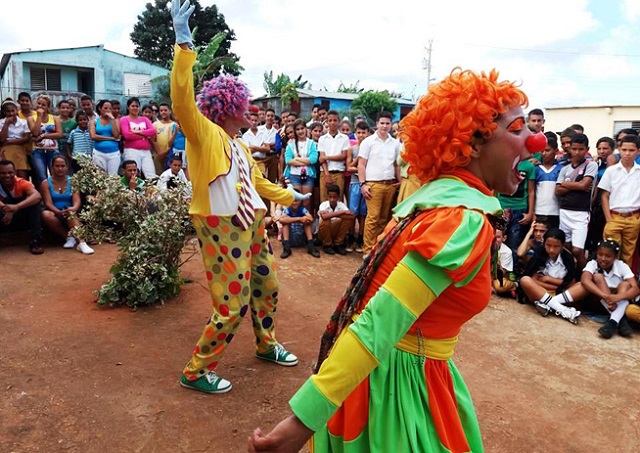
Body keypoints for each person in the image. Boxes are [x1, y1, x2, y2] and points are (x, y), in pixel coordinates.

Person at [249, 68, 544, 452]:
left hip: (392, 377)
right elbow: (380, 321)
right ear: (472, 144)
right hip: (397, 392)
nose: (535, 142)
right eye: (519, 128)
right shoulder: (460, 221)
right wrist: (302, 420)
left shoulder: (435, 203)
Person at [170, 0, 310, 394]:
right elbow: (182, 101)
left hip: (251, 224)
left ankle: (266, 345)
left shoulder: (240, 146)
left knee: (266, 286)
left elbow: (257, 184)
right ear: (228, 106)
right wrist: (183, 47)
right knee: (232, 305)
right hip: (221, 225)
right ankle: (196, 371)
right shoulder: (204, 135)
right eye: (244, 104)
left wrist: (292, 196)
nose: (250, 109)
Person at [357, 111, 402, 255]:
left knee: (384, 219)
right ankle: (367, 250)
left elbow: (396, 165)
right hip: (373, 185)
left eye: (387, 123)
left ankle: (378, 249)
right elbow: (361, 164)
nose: (384, 126)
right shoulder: (368, 142)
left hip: (389, 184)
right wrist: (362, 184)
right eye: (382, 123)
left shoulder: (395, 143)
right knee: (373, 218)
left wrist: (400, 182)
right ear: (376, 124)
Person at [519, 228, 581, 323]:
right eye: (548, 245)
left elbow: (570, 283)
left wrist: (547, 279)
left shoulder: (569, 259)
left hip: (561, 294)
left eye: (556, 246)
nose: (551, 250)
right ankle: (562, 309)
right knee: (525, 280)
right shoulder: (539, 255)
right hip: (539, 292)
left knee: (582, 285)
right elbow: (533, 280)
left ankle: (548, 304)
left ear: (562, 246)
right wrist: (557, 285)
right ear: (544, 244)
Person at [555, 133, 598, 270]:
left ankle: (584, 274)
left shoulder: (590, 165)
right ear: (570, 149)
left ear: (587, 149)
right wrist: (577, 185)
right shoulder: (565, 169)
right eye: (574, 149)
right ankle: (571, 275)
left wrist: (566, 184)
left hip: (581, 213)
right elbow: (557, 191)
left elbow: (584, 185)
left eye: (581, 149)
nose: (577, 152)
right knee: (566, 248)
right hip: (564, 211)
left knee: (577, 250)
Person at [597, 135, 640, 266]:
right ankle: (609, 282)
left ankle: (624, 283)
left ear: (638, 151)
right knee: (610, 252)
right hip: (614, 217)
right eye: (624, 149)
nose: (627, 154)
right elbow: (604, 195)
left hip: (634, 217)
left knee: (628, 254)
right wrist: (608, 218)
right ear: (619, 150)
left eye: (631, 150)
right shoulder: (611, 171)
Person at [580, 239, 637, 338]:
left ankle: (612, 322)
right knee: (598, 277)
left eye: (608, 256)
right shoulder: (593, 264)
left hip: (617, 302)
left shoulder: (621, 265)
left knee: (626, 285)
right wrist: (606, 296)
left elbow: (635, 288)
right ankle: (621, 320)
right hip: (599, 301)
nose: (603, 258)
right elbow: (585, 280)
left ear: (615, 257)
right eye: (600, 254)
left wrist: (618, 297)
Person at [40, 155, 94, 255]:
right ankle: (68, 237)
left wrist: (72, 209)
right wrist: (58, 212)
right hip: (55, 212)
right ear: (52, 167)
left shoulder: (73, 181)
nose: (60, 168)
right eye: (57, 166)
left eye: (62, 166)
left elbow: (77, 201)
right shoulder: (45, 183)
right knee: (45, 214)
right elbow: (48, 203)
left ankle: (82, 243)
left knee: (71, 213)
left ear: (67, 167)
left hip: (71, 211)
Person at [0, 160, 43, 254]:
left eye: (10, 172)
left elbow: (37, 196)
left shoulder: (22, 183)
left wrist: (16, 207)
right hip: (4, 219)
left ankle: (35, 241)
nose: (7, 175)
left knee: (34, 205)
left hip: (22, 217)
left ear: (15, 172)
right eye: (3, 173)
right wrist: (6, 209)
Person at [345, 121, 370, 253]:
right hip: (355, 183)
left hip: (367, 184)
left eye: (363, 133)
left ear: (368, 133)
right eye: (359, 132)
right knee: (352, 212)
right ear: (355, 133)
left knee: (363, 213)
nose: (361, 135)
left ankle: (361, 238)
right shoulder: (352, 149)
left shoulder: (372, 147)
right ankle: (350, 237)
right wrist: (359, 158)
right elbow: (349, 167)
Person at [283, 118, 318, 210]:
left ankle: (306, 222)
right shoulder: (290, 145)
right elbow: (288, 161)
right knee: (296, 201)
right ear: (295, 131)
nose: (300, 131)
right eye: (297, 129)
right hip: (294, 175)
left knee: (306, 202)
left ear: (306, 129)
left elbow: (313, 160)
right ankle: (296, 223)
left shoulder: (311, 143)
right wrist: (305, 161)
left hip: (308, 176)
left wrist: (297, 159)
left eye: (302, 128)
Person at [29, 95, 63, 188]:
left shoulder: (55, 118)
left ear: (48, 107)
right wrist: (39, 116)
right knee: (42, 176)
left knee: (55, 175)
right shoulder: (31, 118)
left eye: (43, 105)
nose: (40, 106)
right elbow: (35, 133)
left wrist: (44, 135)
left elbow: (59, 134)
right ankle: (45, 198)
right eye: (39, 103)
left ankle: (56, 195)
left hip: (53, 150)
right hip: (37, 151)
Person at [120, 97, 157, 179]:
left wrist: (137, 132)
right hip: (131, 151)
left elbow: (153, 131)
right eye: (133, 106)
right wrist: (145, 135)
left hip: (146, 151)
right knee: (133, 174)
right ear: (128, 107)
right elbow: (127, 135)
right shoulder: (124, 119)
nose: (135, 108)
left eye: (137, 106)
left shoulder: (145, 119)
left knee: (151, 175)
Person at [318, 110, 350, 201]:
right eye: (330, 120)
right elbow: (321, 159)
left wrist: (327, 157)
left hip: (339, 173)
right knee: (324, 200)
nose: (332, 123)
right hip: (325, 173)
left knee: (338, 201)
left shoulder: (344, 138)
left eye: (335, 120)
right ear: (327, 122)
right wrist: (327, 174)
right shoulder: (322, 139)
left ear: (339, 122)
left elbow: (343, 156)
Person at [317, 184, 355, 255]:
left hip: (336, 230)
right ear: (327, 196)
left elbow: (351, 216)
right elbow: (324, 217)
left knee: (347, 220)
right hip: (323, 233)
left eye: (334, 197)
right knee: (326, 221)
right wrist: (342, 213)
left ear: (338, 197)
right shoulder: (323, 205)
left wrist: (331, 215)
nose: (332, 199)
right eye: (330, 197)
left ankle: (338, 243)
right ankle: (327, 245)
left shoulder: (342, 205)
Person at [534, 137, 561, 228]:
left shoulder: (561, 169)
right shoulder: (536, 169)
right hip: (539, 210)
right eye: (542, 151)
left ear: (556, 151)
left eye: (547, 150)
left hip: (556, 211)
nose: (544, 154)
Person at [0, 100, 31, 180]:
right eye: (8, 111)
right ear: (4, 112)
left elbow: (26, 138)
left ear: (16, 110)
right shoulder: (1, 123)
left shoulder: (23, 122)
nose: (11, 113)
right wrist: (6, 124)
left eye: (13, 111)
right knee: (7, 174)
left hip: (19, 150)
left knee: (22, 175)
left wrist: (9, 141)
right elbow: (2, 139)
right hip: (6, 150)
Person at [90, 100, 121, 175]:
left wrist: (112, 120)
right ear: (100, 108)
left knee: (113, 176)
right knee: (100, 176)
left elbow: (116, 135)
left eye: (110, 109)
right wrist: (111, 138)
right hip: (99, 152)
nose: (108, 110)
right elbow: (93, 136)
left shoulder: (115, 121)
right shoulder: (94, 121)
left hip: (113, 153)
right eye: (106, 108)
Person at [152, 103, 176, 174]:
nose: (163, 112)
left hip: (170, 155)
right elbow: (153, 140)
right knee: (158, 176)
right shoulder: (155, 124)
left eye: (165, 110)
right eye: (161, 110)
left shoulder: (174, 125)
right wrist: (159, 154)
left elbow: (174, 141)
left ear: (170, 111)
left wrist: (165, 154)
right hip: (157, 155)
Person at [493, 228, 516, 296]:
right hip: (487, 275)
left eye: (498, 237)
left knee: (500, 286)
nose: (494, 240)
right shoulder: (485, 246)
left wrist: (497, 263)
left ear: (504, 238)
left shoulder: (507, 252)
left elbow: (503, 273)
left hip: (501, 276)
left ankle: (514, 285)